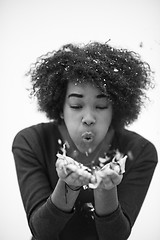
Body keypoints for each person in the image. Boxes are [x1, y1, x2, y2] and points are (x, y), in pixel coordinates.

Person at [12, 42, 158, 240]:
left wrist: (106, 189)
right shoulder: (31, 142)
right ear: (60, 108)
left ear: (116, 108)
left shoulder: (140, 151)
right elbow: (42, 230)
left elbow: (115, 236)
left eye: (101, 105)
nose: (88, 117)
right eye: (76, 105)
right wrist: (68, 184)